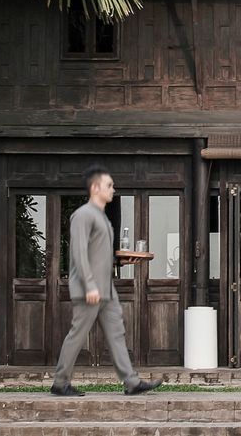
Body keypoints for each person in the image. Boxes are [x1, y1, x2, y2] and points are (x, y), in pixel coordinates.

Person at [51, 165, 164, 397]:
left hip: (106, 289)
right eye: (109, 185)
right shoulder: (83, 215)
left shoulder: (102, 217)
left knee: (116, 333)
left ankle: (131, 382)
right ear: (95, 188)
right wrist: (90, 284)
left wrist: (122, 262)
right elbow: (79, 253)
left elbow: (100, 254)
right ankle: (60, 382)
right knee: (78, 334)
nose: (113, 189)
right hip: (89, 289)